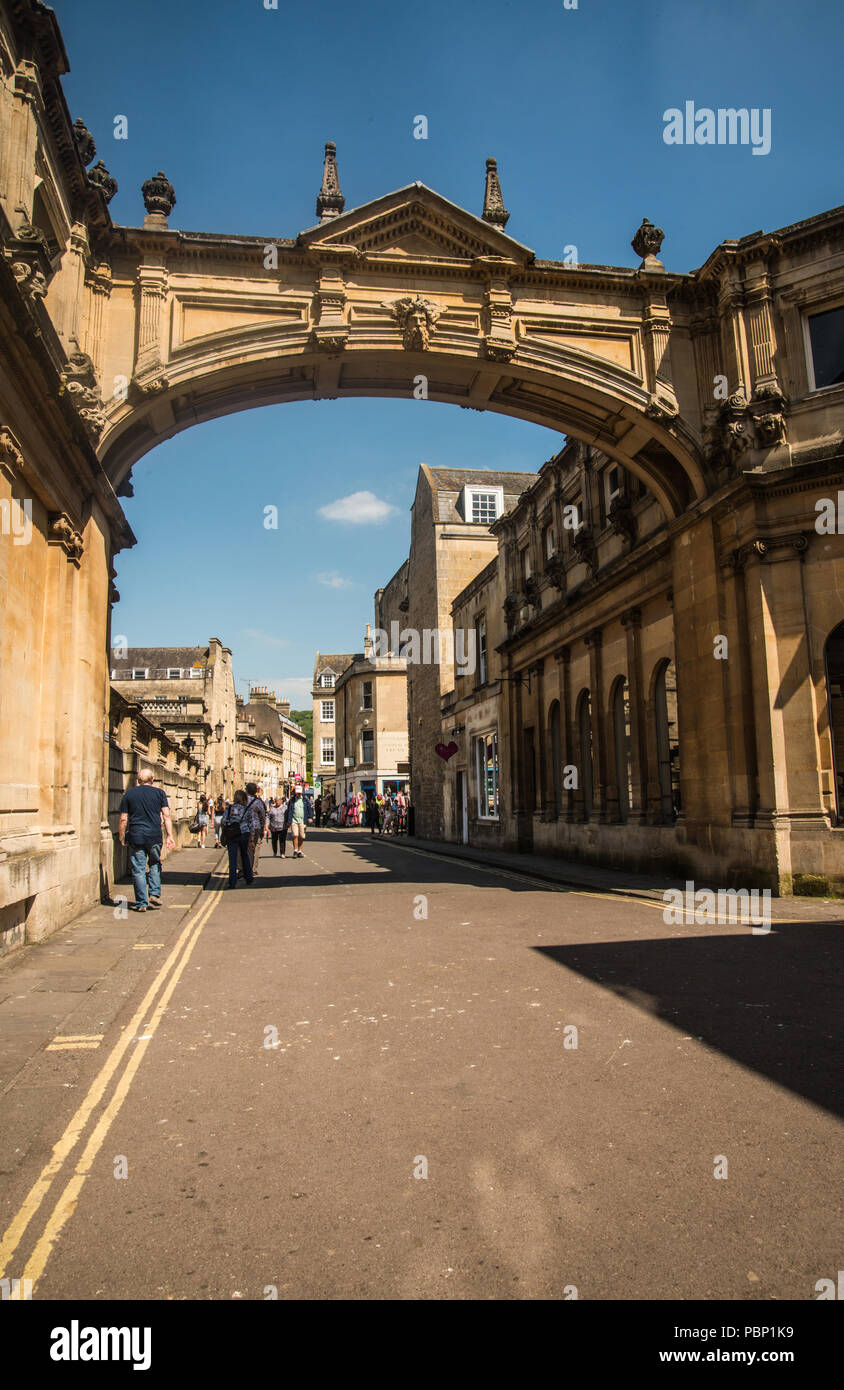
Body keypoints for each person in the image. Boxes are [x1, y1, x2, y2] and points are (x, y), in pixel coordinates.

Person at [117, 767, 175, 912]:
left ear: (138, 780)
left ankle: (142, 903)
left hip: (136, 836)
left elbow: (123, 818)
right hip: (154, 836)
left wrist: (121, 835)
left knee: (138, 869)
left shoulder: (129, 794)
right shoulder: (159, 793)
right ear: (153, 780)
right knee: (155, 864)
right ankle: (154, 893)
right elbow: (166, 816)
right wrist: (170, 835)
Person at [221, 789, 253, 888]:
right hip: (244, 834)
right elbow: (251, 824)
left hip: (232, 834)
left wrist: (228, 826)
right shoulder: (247, 809)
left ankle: (232, 882)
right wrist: (252, 838)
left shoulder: (229, 808)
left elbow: (223, 821)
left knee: (232, 858)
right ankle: (248, 878)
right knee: (245, 855)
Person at [244, 781, 267, 876]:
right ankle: (253, 869)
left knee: (246, 847)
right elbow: (262, 815)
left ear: (246, 791)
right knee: (256, 847)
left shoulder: (243, 801)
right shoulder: (258, 802)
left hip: (244, 827)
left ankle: (245, 868)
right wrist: (262, 829)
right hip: (256, 827)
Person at [285, 783, 312, 858]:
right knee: (295, 835)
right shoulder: (292, 800)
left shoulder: (305, 800)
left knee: (302, 836)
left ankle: (300, 851)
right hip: (294, 820)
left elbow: (309, 809)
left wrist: (310, 817)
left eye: (299, 792)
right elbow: (289, 810)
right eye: (297, 792)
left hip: (303, 821)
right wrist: (288, 821)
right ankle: (295, 850)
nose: (298, 794)